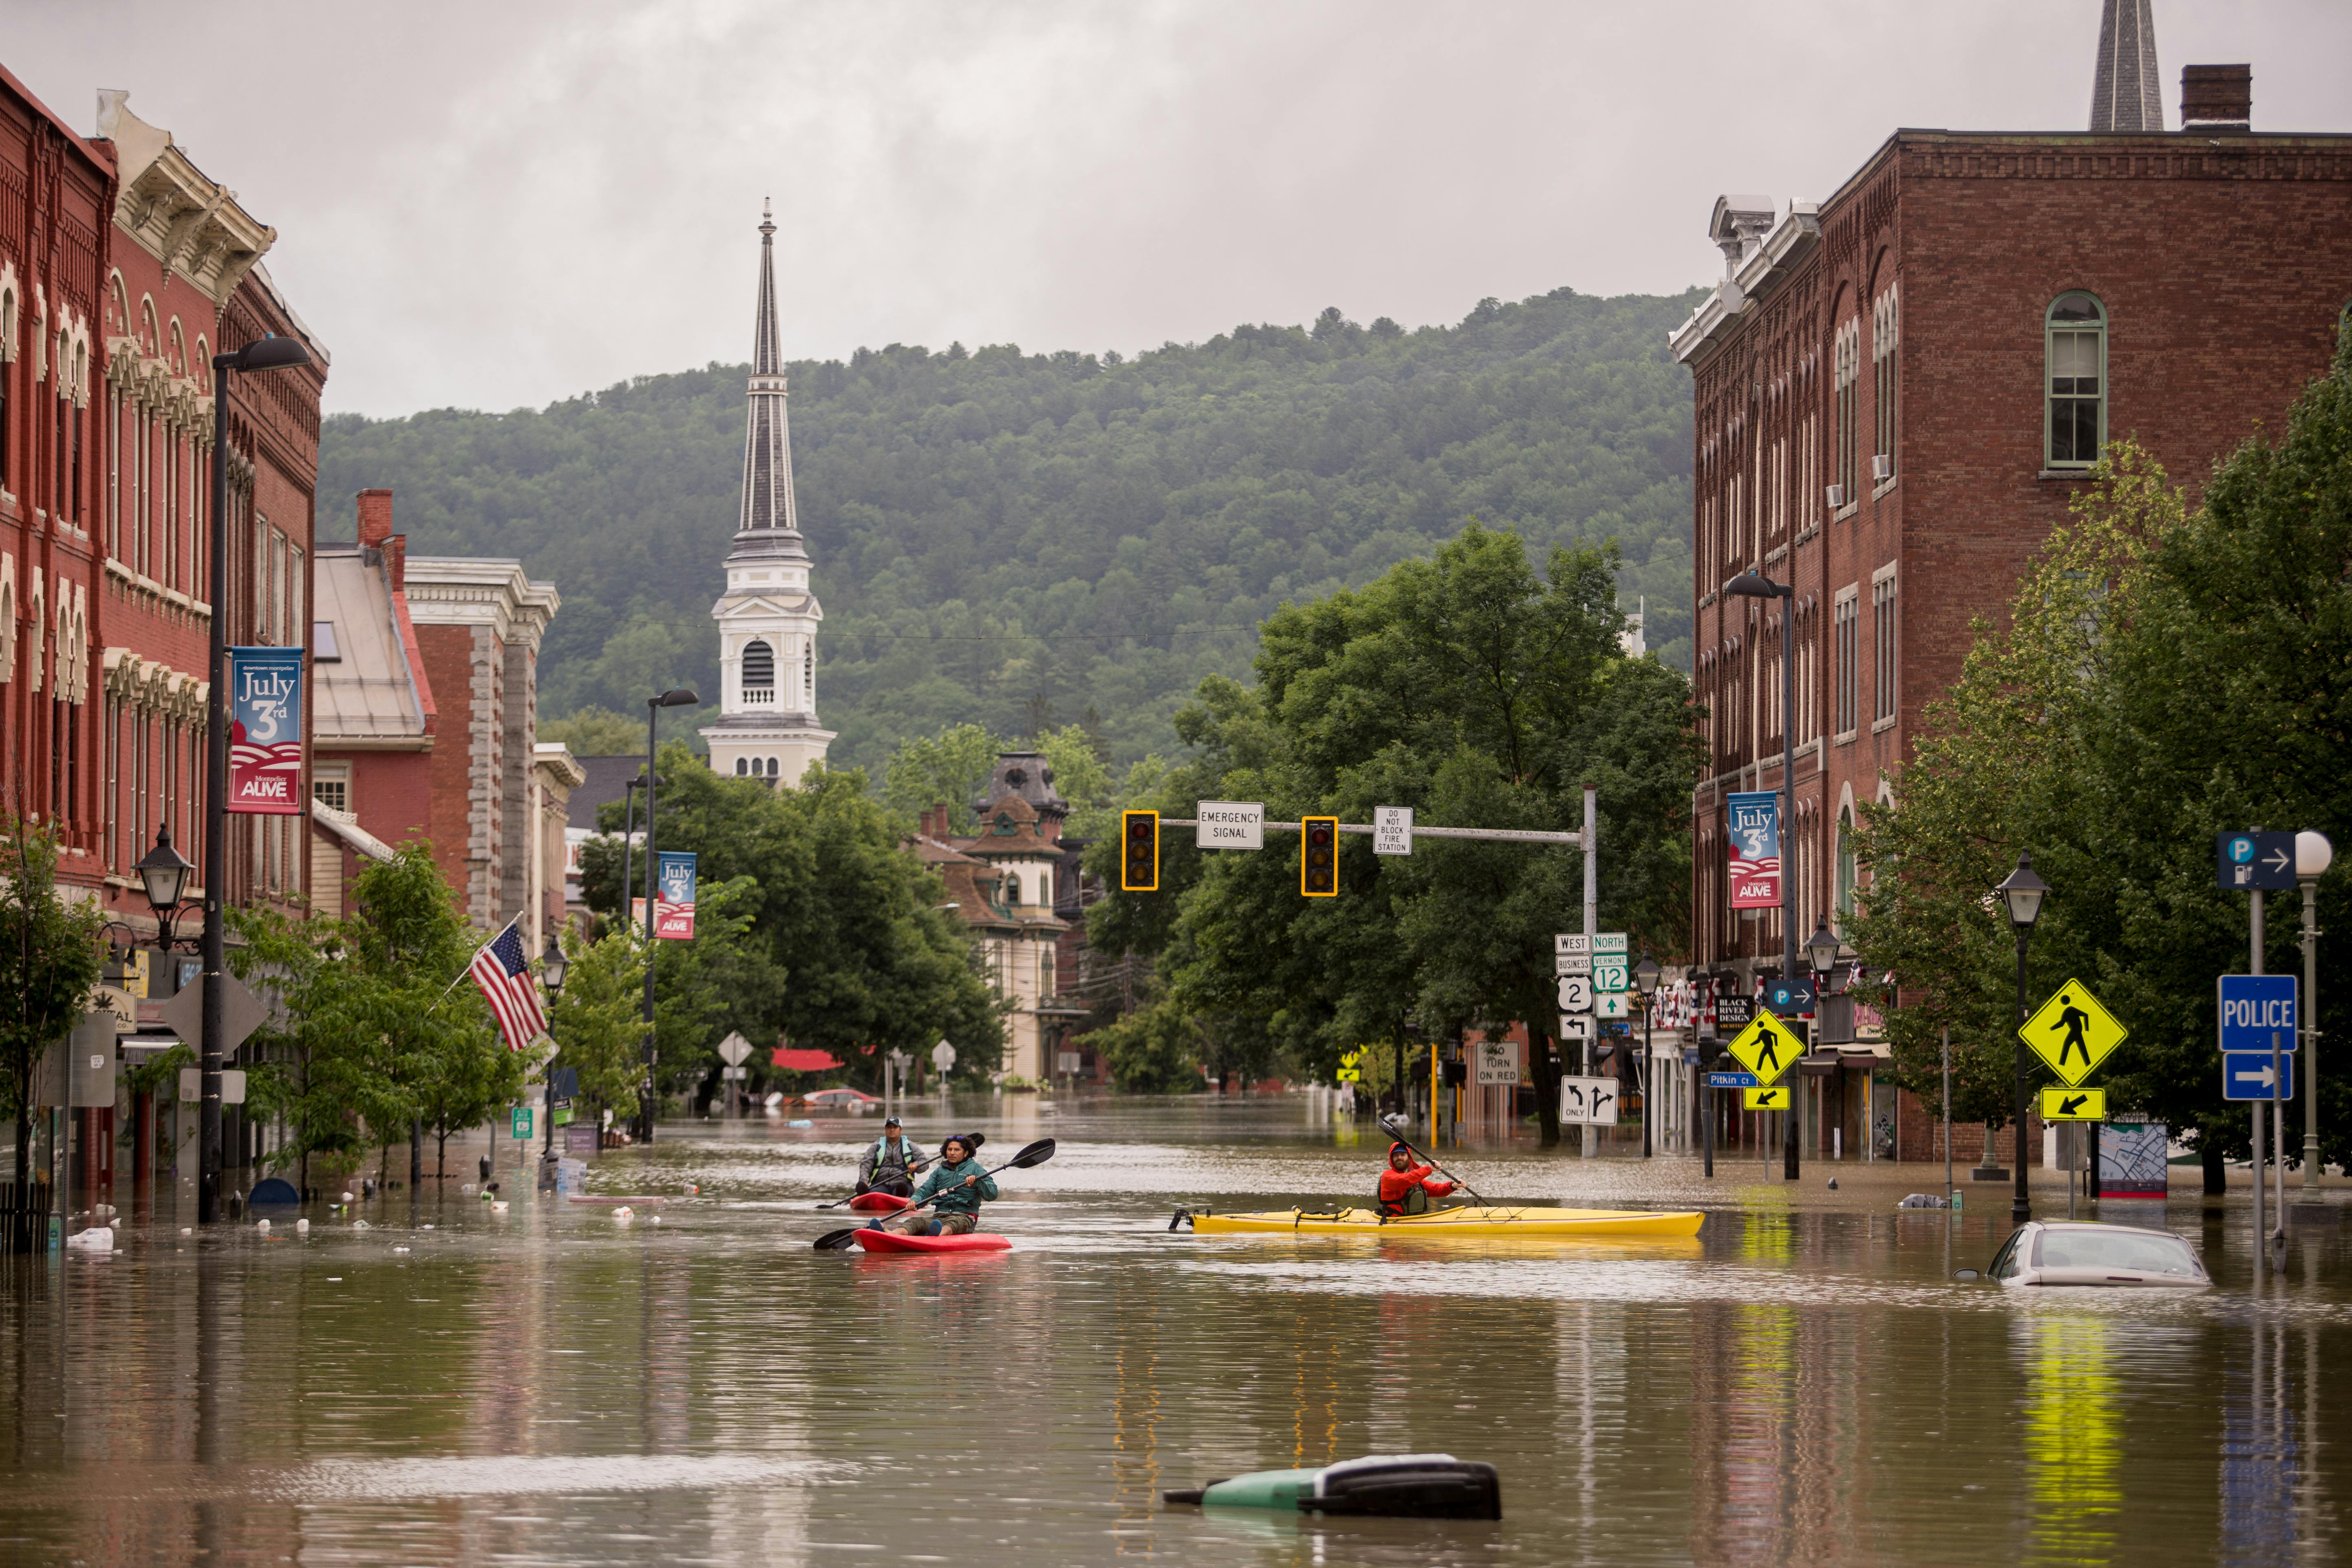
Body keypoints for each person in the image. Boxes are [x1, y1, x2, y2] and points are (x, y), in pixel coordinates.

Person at [900, 1135, 997, 1235]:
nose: (952, 1153)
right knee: (914, 1222)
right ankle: (891, 1233)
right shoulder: (940, 1171)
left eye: (957, 1150)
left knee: (952, 1223)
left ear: (966, 1153)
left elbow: (993, 1194)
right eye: (949, 1149)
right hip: (939, 1217)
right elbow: (926, 1190)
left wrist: (978, 1181)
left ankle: (935, 1237)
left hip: (965, 1218)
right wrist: (915, 1200)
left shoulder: (976, 1169)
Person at [1377, 1142, 1456, 1217]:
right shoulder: (1387, 1176)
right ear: (1392, 1159)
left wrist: (1453, 1186)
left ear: (1409, 1158)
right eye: (1396, 1155)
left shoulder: (1416, 1180)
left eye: (1403, 1155)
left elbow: (1436, 1189)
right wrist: (1428, 1169)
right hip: (1392, 1221)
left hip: (1413, 1220)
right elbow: (1405, 1180)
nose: (1399, 1158)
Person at [856, 1117, 926, 1198]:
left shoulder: (910, 1146)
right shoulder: (876, 1146)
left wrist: (916, 1165)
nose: (892, 1130)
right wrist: (864, 1181)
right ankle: (867, 1196)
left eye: (895, 1127)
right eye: (889, 1127)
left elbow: (924, 1163)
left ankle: (900, 1197)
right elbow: (866, 1165)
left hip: (902, 1184)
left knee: (902, 1189)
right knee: (872, 1192)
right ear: (885, 1130)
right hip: (880, 1184)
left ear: (900, 1130)